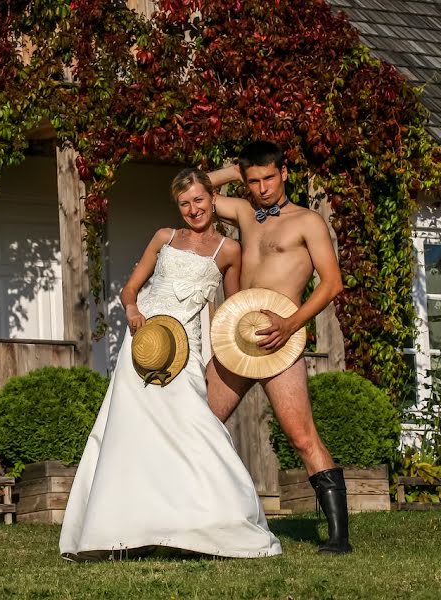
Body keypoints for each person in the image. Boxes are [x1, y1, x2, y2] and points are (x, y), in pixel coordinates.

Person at [59, 168, 282, 561]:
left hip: (187, 349)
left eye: (199, 200)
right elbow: (131, 287)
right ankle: (119, 533)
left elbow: (230, 308)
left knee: (194, 428)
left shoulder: (229, 251)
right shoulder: (164, 237)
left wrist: (251, 331)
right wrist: (131, 309)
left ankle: (215, 523)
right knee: (130, 434)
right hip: (144, 343)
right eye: (184, 203)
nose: (193, 209)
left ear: (213, 200)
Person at [206, 140, 352, 554]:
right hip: (236, 335)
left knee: (303, 438)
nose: (263, 187)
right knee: (199, 422)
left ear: (284, 173)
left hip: (281, 340)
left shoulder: (308, 222)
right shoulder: (243, 212)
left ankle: (338, 536)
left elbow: (332, 283)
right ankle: (198, 519)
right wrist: (234, 171)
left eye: (269, 177)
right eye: (253, 180)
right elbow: (191, 192)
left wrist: (291, 324)